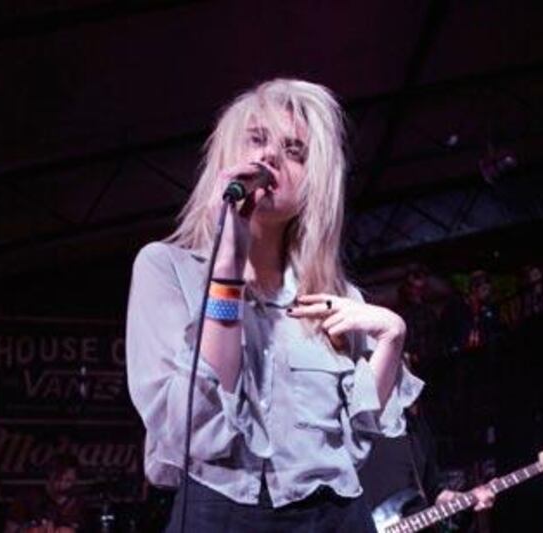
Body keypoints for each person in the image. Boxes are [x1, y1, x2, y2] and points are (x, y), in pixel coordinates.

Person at [125, 79, 424, 532]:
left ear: (314, 182)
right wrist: (227, 265)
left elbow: (359, 441)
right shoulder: (168, 269)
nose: (268, 158)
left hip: (335, 516)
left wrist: (392, 337)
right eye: (257, 139)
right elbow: (195, 428)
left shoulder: (338, 297)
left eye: (294, 151)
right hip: (221, 511)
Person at [3, 453, 85, 533]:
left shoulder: (77, 503)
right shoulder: (28, 497)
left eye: (68, 480)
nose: (62, 484)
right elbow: (10, 528)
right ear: (49, 474)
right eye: (57, 479)